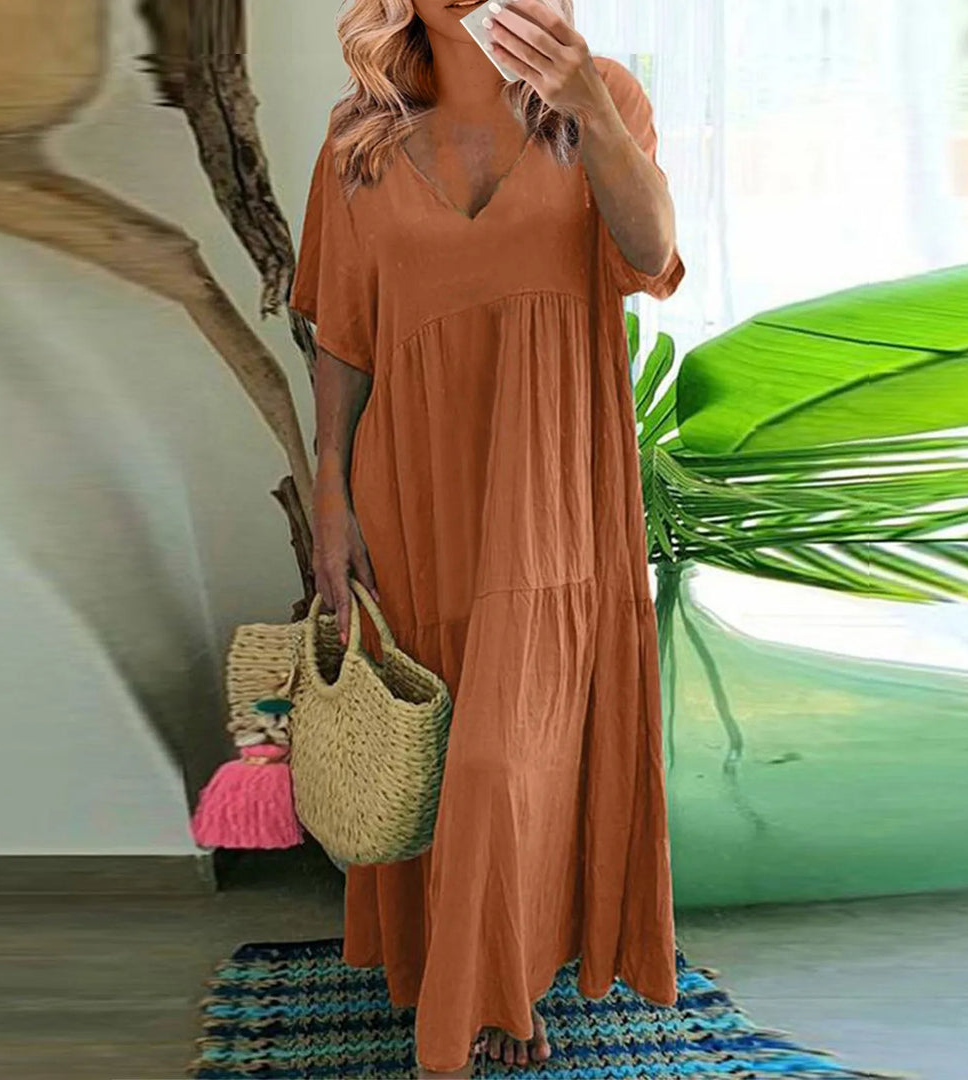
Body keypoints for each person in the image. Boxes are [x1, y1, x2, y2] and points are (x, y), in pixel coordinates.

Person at [289, 0, 685, 1075]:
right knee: (449, 743)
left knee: (507, 752)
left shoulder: (600, 96)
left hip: (553, 478)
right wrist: (330, 494)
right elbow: (344, 340)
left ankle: (481, 999)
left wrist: (587, 103)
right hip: (414, 483)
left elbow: (651, 253)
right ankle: (480, 970)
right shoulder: (359, 137)